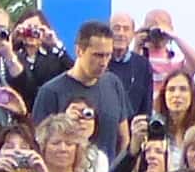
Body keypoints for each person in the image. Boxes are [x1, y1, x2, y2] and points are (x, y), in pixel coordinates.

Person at [28, 22, 137, 151]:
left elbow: (124, 137)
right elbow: (39, 142)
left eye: (108, 55)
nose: (103, 62)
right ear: (79, 51)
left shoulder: (113, 83)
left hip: (109, 163)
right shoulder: (51, 92)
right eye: (98, 55)